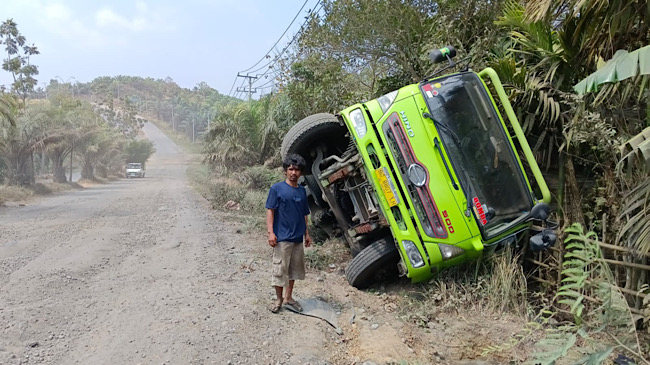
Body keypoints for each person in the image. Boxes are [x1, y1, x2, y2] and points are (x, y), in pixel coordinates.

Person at [265, 153, 312, 313]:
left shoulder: (302, 191)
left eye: (297, 170)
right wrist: (271, 233)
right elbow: (270, 211)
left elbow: (304, 214)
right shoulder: (277, 188)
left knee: (294, 270)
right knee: (280, 270)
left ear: (301, 172)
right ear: (285, 170)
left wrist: (306, 234)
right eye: (291, 169)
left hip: (298, 238)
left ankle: (288, 297)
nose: (294, 172)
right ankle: (278, 300)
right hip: (282, 238)